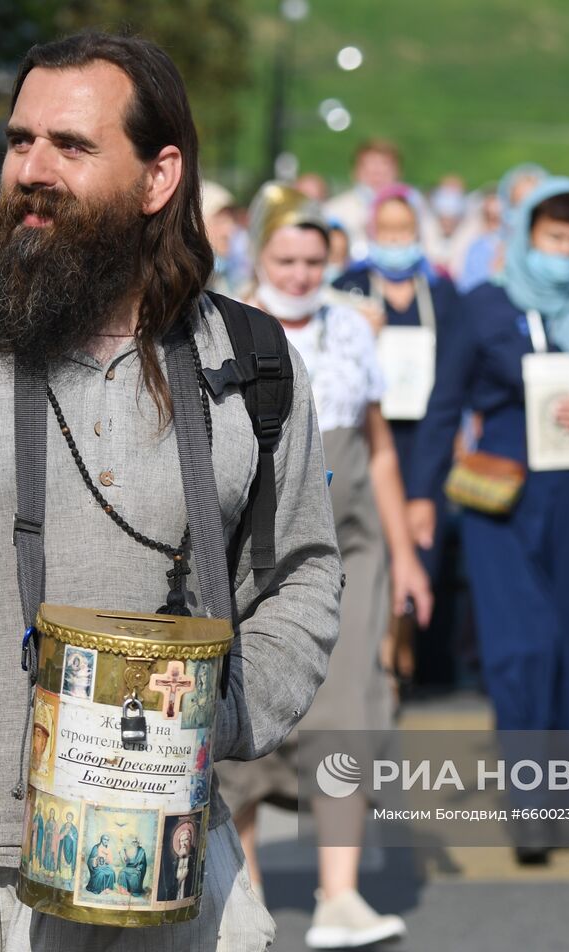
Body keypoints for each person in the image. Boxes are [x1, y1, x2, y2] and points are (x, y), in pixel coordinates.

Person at [0, 32, 344, 952]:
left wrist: (219, 715)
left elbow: (302, 574)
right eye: (20, 142)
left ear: (158, 177)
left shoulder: (252, 363)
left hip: (170, 873)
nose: (32, 171)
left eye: (71, 147)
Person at [217, 182, 431, 950]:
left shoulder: (351, 330)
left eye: (314, 259)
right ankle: (241, 897)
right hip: (249, 546)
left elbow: (377, 449)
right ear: (260, 253)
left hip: (347, 546)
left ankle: (339, 893)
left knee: (346, 709)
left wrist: (405, 557)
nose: (302, 272)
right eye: (287, 257)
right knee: (242, 717)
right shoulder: (220, 324)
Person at [408, 177, 569, 855]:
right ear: (524, 236)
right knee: (520, 645)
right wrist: (423, 494)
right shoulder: (483, 305)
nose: (565, 253)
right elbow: (444, 402)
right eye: (552, 238)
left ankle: (561, 790)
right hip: (501, 496)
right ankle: (527, 801)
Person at [334, 184, 463, 686]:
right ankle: (374, 653)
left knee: (416, 541)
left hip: (421, 439)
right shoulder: (347, 288)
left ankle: (402, 644)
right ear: (371, 233)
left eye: (404, 231)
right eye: (385, 231)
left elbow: (452, 379)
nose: (395, 240)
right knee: (368, 541)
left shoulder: (442, 294)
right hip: (367, 435)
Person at [458, 163, 546, 292]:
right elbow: (470, 291)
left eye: (531, 205)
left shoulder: (553, 250)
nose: (523, 212)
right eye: (518, 204)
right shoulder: (484, 247)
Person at [324, 138, 403, 259]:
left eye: (384, 167)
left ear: (397, 172)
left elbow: (432, 250)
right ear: (355, 172)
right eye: (370, 169)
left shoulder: (414, 206)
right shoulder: (334, 210)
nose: (377, 173)